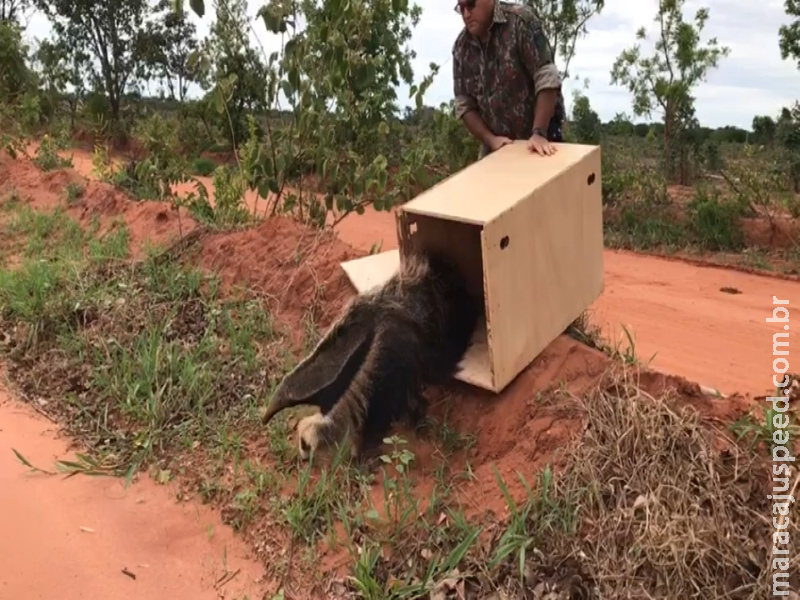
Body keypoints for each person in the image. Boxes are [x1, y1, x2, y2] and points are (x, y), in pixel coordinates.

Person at [451, 0, 566, 160]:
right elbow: (465, 105)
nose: (466, 15)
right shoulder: (461, 48)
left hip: (540, 141)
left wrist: (539, 132)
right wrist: (491, 140)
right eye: (461, 8)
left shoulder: (521, 22)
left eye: (470, 5)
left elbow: (547, 77)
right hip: (499, 147)